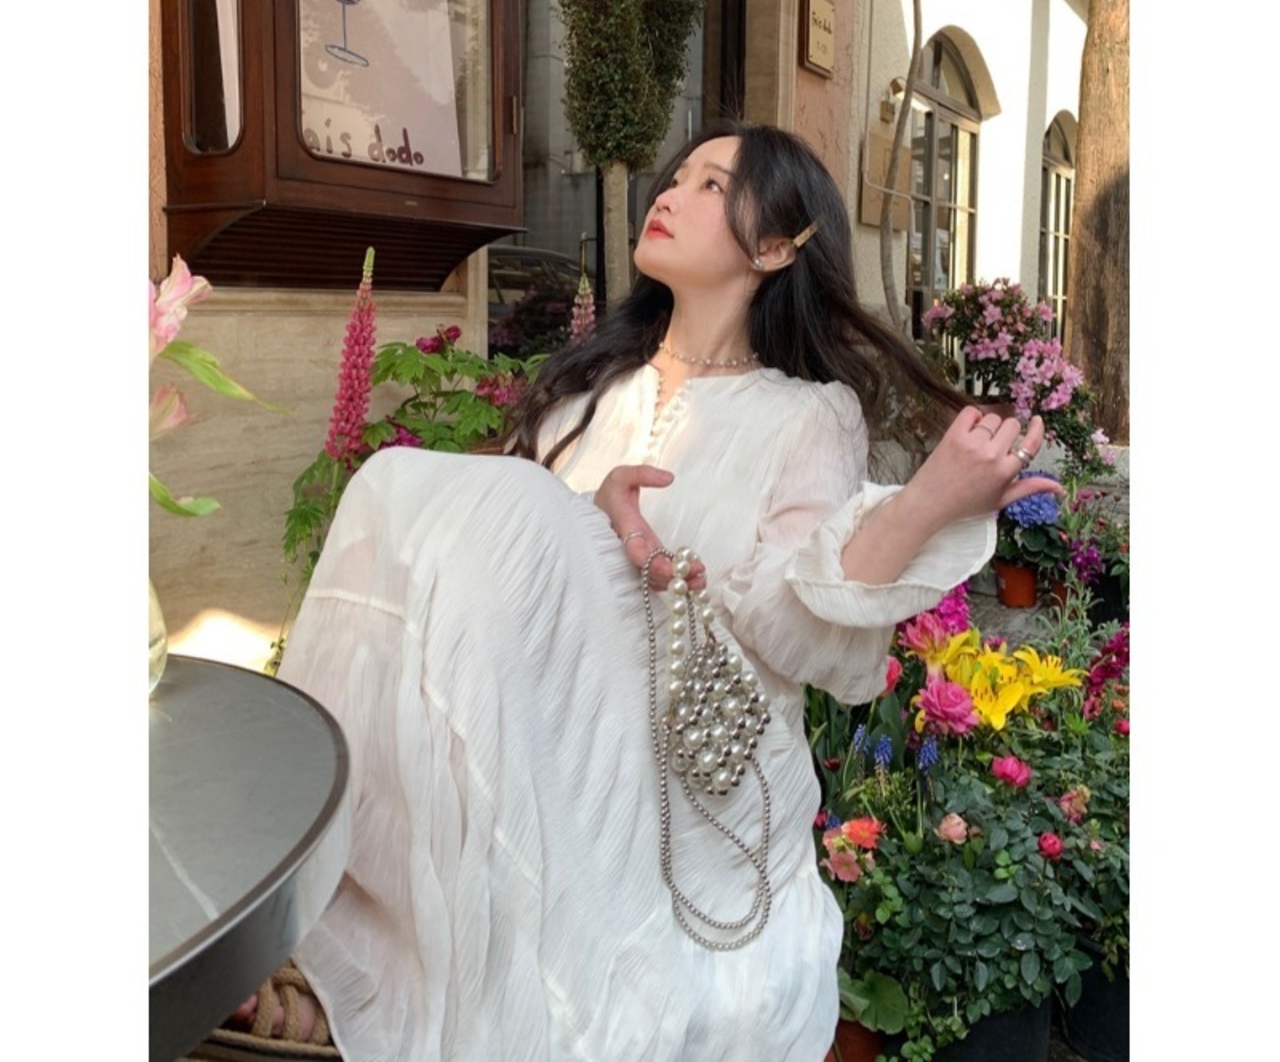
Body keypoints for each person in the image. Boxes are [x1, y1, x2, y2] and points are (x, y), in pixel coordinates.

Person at [241, 121, 1060, 1061]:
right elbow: (493, 597)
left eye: (713, 185)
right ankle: (323, 921)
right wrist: (589, 524)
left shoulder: (806, 414)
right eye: (677, 176)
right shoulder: (588, 391)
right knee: (400, 492)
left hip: (692, 772)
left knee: (501, 501)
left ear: (775, 246)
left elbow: (802, 637)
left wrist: (925, 505)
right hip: (543, 739)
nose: (668, 193)